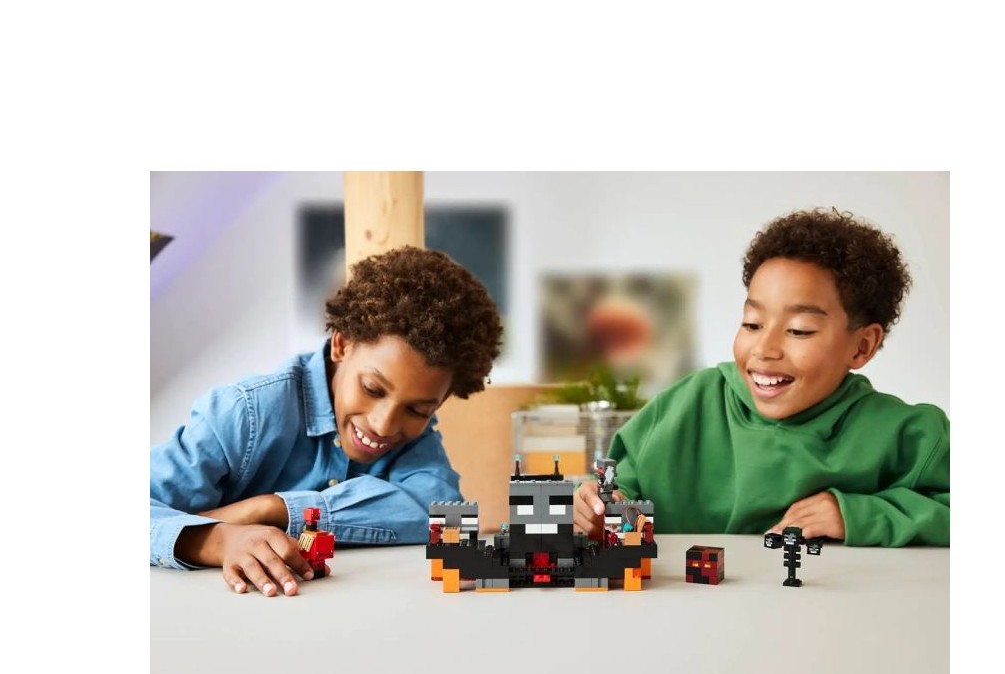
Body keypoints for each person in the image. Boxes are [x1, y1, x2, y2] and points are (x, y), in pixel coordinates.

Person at [572, 208, 949, 546]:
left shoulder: (908, 434)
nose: (765, 349)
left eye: (799, 330)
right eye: (752, 324)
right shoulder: (687, 405)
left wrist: (856, 514)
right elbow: (619, 486)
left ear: (862, 346)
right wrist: (594, 506)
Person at [151, 245, 503, 594]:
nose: (384, 425)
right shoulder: (246, 411)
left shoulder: (414, 438)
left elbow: (439, 507)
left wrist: (273, 509)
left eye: (418, 410)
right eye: (372, 389)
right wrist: (219, 540)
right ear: (342, 344)